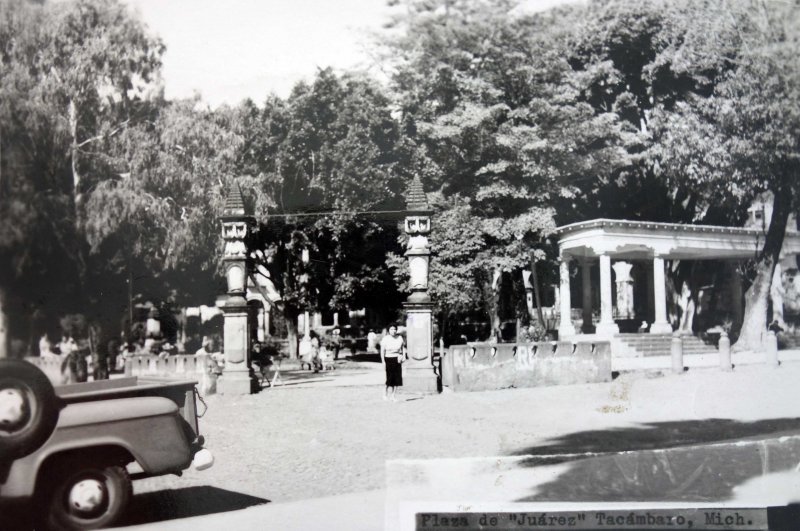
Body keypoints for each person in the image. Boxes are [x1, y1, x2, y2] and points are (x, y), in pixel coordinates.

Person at [380, 324, 405, 402]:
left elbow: (403, 348)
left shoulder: (399, 338)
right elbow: (382, 351)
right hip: (388, 358)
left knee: (397, 378)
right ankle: (385, 394)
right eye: (391, 329)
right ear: (388, 330)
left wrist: (403, 356)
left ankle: (393, 395)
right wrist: (383, 361)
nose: (393, 331)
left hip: (397, 359)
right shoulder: (385, 339)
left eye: (394, 329)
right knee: (389, 377)